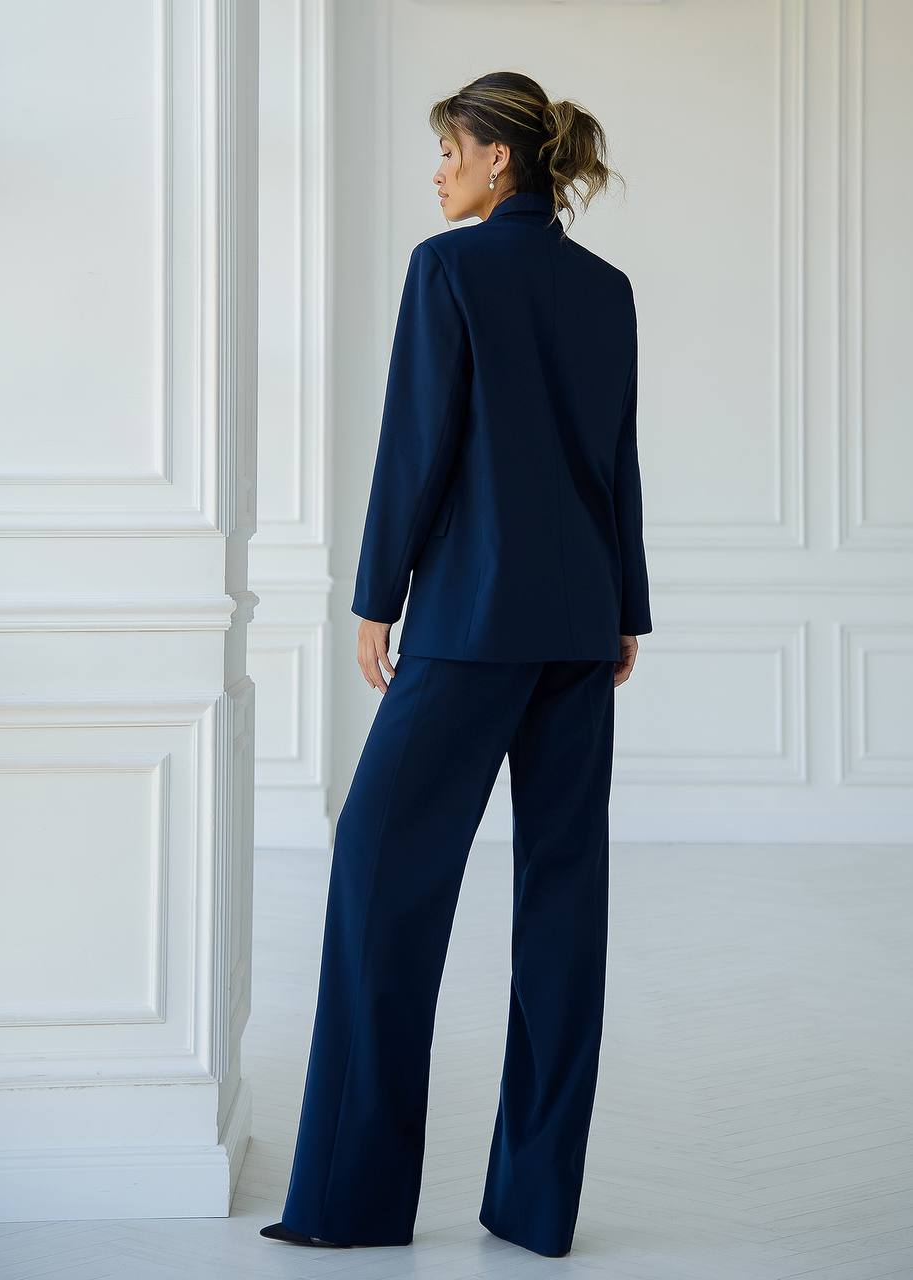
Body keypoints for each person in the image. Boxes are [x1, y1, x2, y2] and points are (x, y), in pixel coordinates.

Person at [261, 70, 652, 1260]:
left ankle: (349, 1202)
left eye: (449, 148)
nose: (436, 170)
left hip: (471, 624)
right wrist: (626, 605)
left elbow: (415, 442)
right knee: (562, 904)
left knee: (379, 870)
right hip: (582, 625)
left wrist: (376, 593)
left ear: (499, 161)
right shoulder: (606, 287)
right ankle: (534, 1210)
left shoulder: (450, 270)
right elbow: (616, 459)